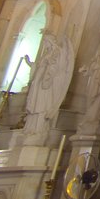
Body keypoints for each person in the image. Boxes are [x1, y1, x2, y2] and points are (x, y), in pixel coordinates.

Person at [22, 14, 74, 145]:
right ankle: (32, 128)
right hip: (39, 83)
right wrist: (31, 64)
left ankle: (39, 129)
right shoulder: (46, 54)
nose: (44, 44)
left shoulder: (57, 53)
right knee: (36, 105)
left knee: (42, 105)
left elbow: (56, 69)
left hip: (46, 84)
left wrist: (47, 77)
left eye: (45, 42)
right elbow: (40, 66)